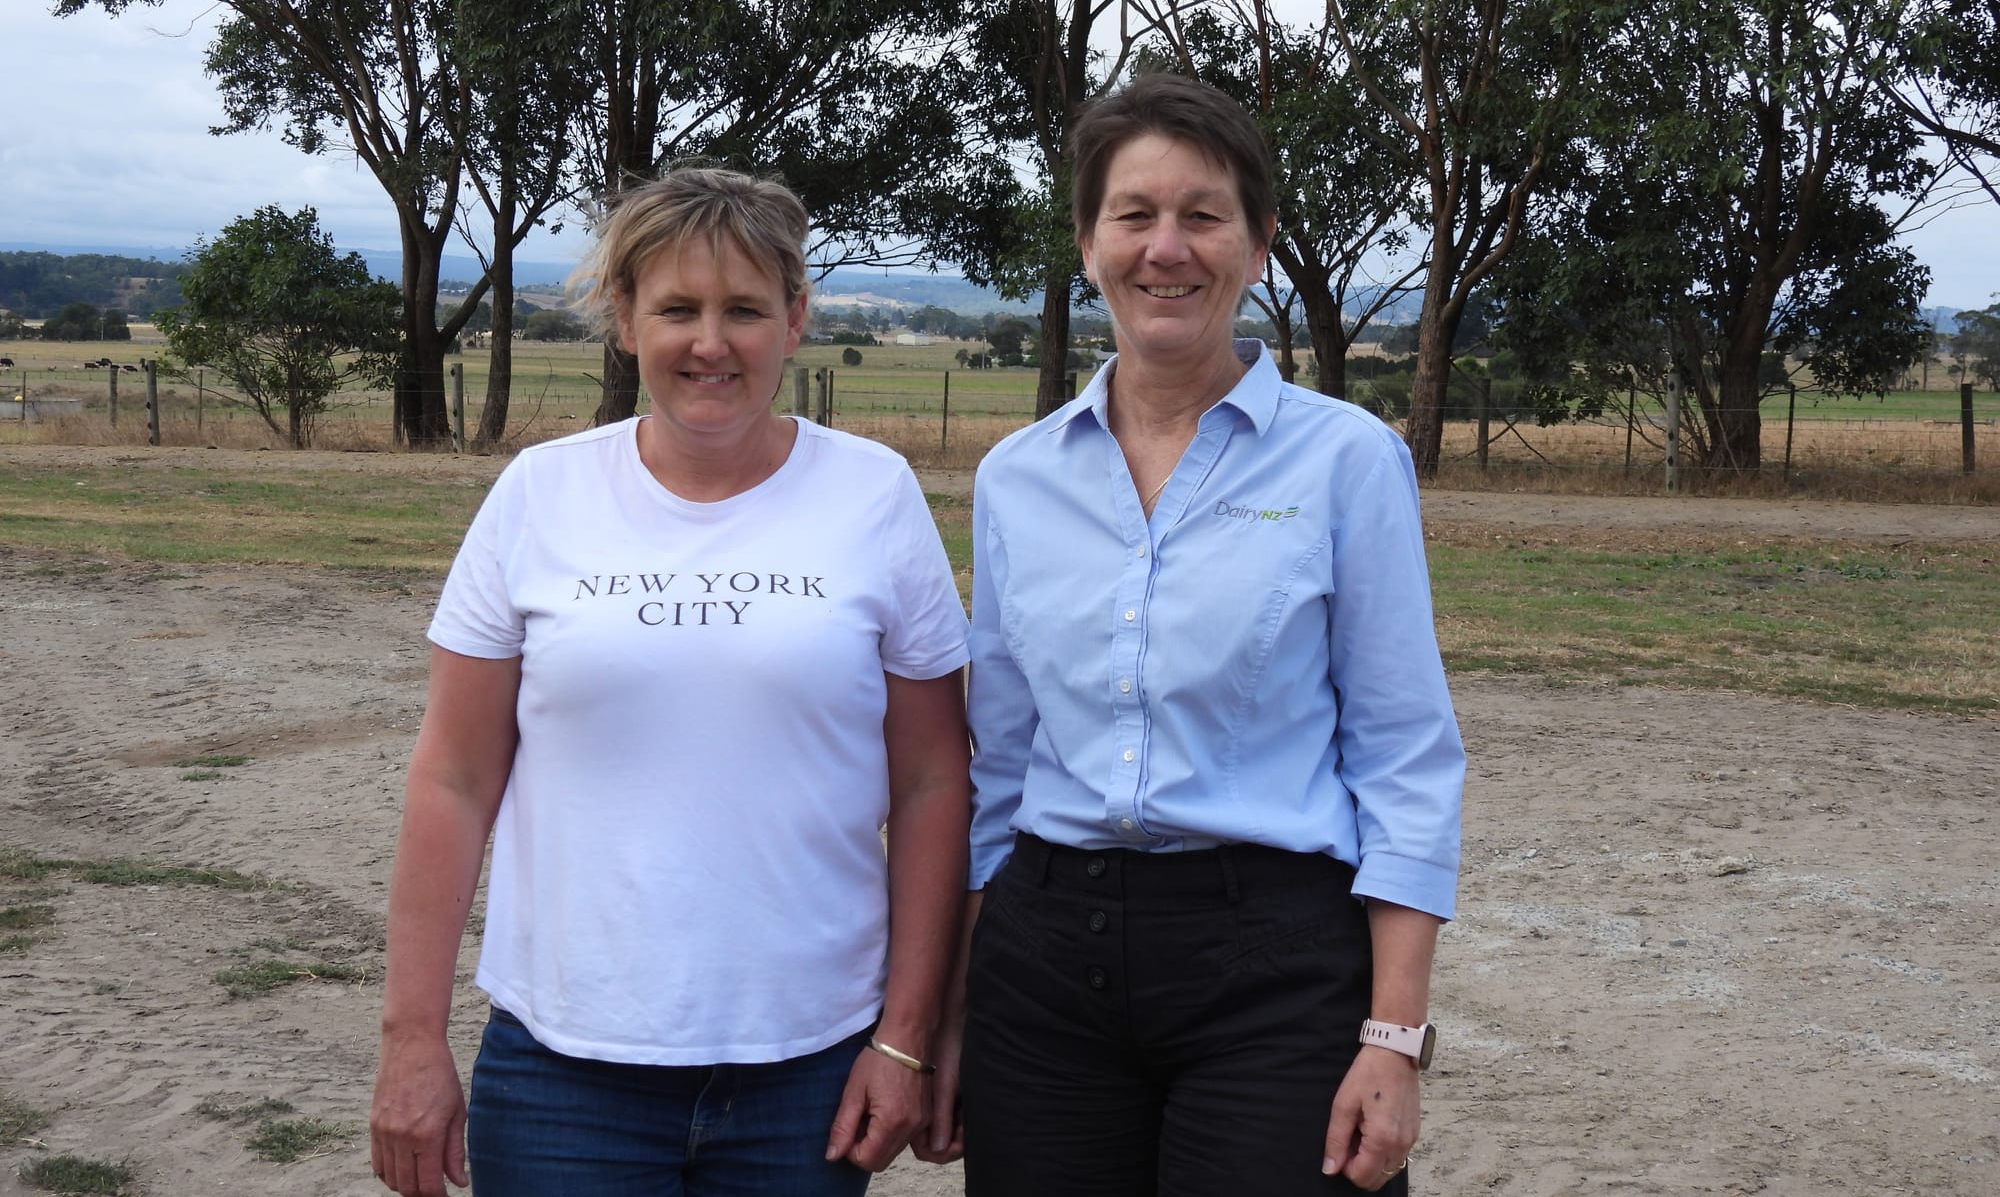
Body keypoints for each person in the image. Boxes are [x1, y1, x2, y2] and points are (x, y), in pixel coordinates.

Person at [369, 168, 971, 1197]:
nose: (709, 342)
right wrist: (411, 1039)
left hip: (807, 1069)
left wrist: (904, 1039)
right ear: (623, 321)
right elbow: (453, 781)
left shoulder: (873, 494)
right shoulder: (538, 496)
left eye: (743, 309)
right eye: (676, 309)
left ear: (795, 319)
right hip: (564, 1070)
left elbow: (931, 781)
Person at [922, 74, 1465, 1196]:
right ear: (1086, 244)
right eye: (1133, 215)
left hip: (1273, 966)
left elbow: (1404, 758)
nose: (1165, 248)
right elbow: (1000, 772)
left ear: (1256, 245)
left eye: (1202, 215)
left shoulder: (1345, 461)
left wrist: (1392, 1036)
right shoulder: (1014, 481)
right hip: (1044, 971)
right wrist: (961, 1007)